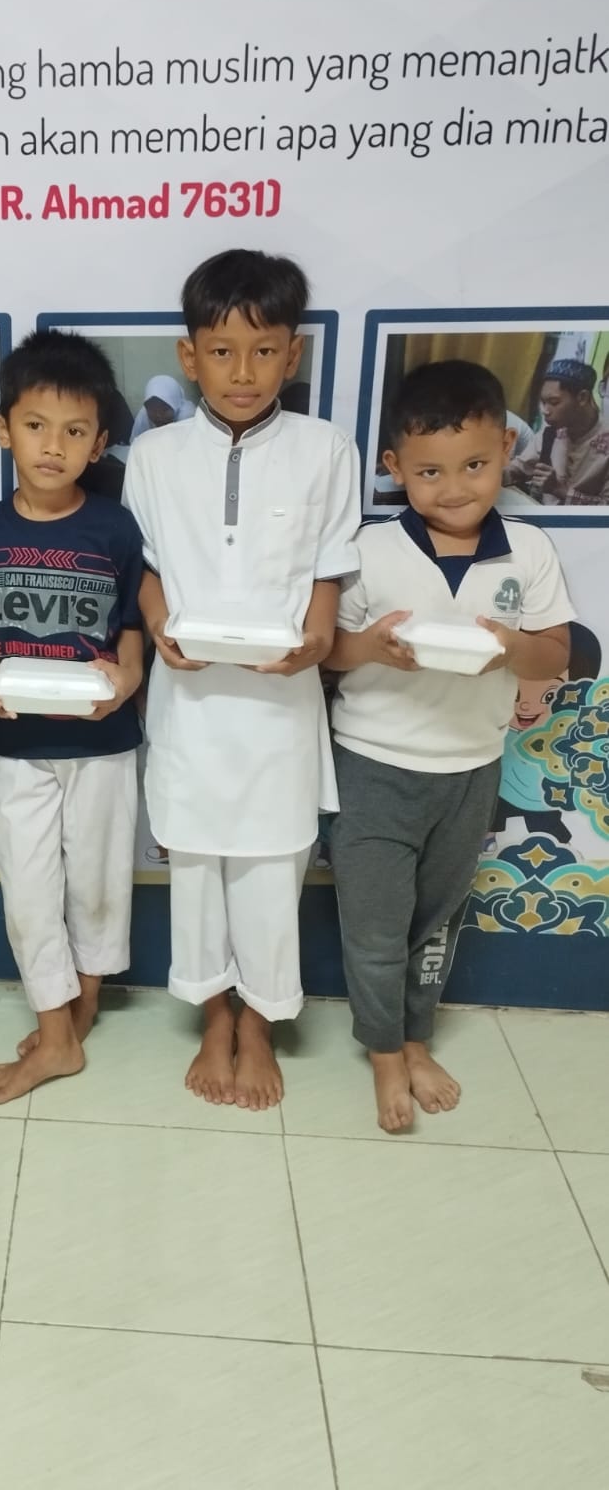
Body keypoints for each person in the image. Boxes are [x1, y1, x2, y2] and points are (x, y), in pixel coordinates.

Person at [123, 248, 360, 1111]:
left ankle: (258, 1022)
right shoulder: (155, 455)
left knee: (270, 870)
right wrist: (158, 628)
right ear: (190, 357)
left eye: (264, 351)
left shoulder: (326, 448)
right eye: (222, 352)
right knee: (196, 869)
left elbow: (329, 565)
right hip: (189, 700)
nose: (244, 372)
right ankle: (214, 1015)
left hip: (279, 703)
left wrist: (319, 636)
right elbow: (146, 565)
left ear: (293, 354)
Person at [326, 361, 572, 1132]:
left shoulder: (527, 549)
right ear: (395, 467)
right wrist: (370, 647)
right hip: (371, 764)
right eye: (430, 471)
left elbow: (555, 652)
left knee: (434, 923)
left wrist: (510, 650)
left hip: (470, 769)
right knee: (374, 926)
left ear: (506, 450)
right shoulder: (369, 549)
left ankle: (416, 1038)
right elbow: (329, 651)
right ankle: (384, 1052)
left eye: (474, 465)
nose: (455, 488)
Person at [0, 331, 144, 1102]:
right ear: (4, 428)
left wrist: (128, 678)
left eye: (75, 432)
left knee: (98, 883)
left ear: (98, 443)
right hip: (19, 741)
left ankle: (80, 1009)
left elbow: (133, 624)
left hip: (103, 741)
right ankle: (56, 1031)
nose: (53, 446)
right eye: (36, 425)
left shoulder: (115, 528)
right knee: (29, 889)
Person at [491, 622, 601, 846]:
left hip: (542, 799)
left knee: (550, 833)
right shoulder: (494, 729)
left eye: (549, 696)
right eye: (515, 693)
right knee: (489, 824)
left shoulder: (572, 735)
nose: (525, 706)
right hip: (498, 794)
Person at [504, 358, 609, 505]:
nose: (545, 411)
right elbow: (518, 469)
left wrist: (558, 490)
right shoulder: (552, 432)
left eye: (554, 402)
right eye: (543, 402)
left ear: (582, 397)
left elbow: (606, 508)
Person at [129, 374, 196, 442]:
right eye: (153, 410)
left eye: (164, 410)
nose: (158, 415)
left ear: (175, 405)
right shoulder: (144, 415)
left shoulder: (187, 417)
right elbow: (134, 443)